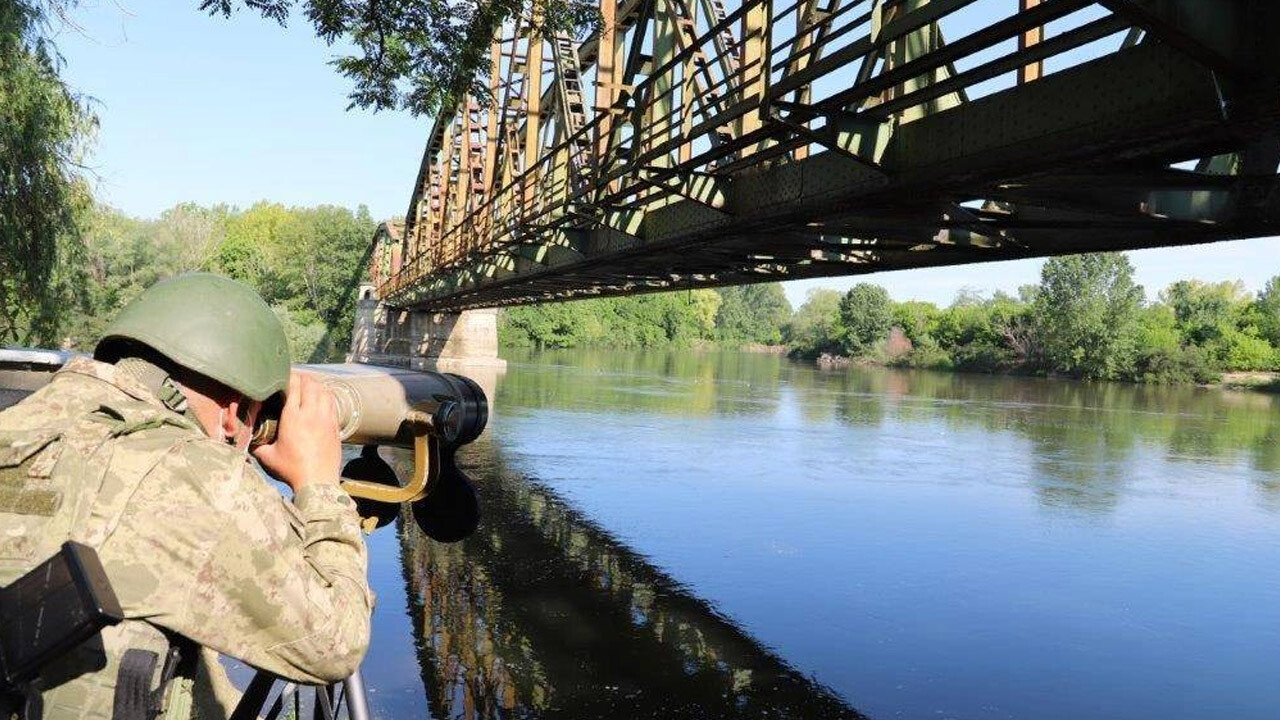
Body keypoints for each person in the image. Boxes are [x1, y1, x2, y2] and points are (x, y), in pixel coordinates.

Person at [0, 273, 372, 720]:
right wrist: (320, 485)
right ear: (234, 414)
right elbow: (336, 645)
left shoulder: (23, 419)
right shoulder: (197, 476)